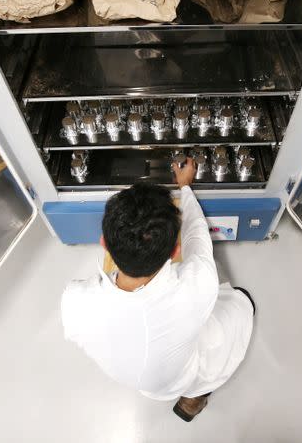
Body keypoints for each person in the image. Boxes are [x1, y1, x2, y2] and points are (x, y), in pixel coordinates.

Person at [60, 159, 255, 422]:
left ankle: (191, 399)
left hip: (146, 386)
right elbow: (197, 237)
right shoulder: (196, 288)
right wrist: (185, 186)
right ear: (175, 252)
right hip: (184, 374)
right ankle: (193, 399)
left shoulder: (74, 302)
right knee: (242, 303)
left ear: (104, 243)